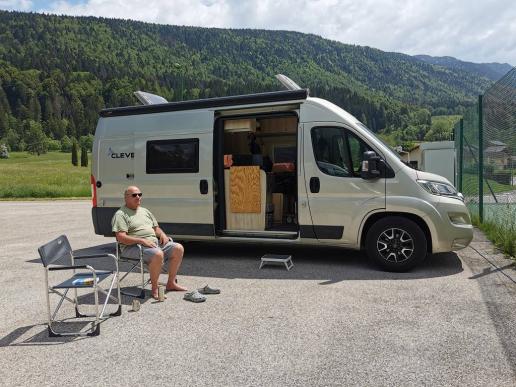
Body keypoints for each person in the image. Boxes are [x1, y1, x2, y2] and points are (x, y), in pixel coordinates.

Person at [112, 186, 187, 299]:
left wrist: (162, 234)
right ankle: (155, 289)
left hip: (152, 244)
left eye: (139, 194)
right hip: (132, 247)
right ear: (126, 198)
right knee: (157, 254)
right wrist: (141, 240)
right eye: (134, 195)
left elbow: (156, 229)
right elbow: (121, 238)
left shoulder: (145, 211)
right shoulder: (121, 214)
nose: (138, 197)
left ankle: (171, 283)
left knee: (178, 248)